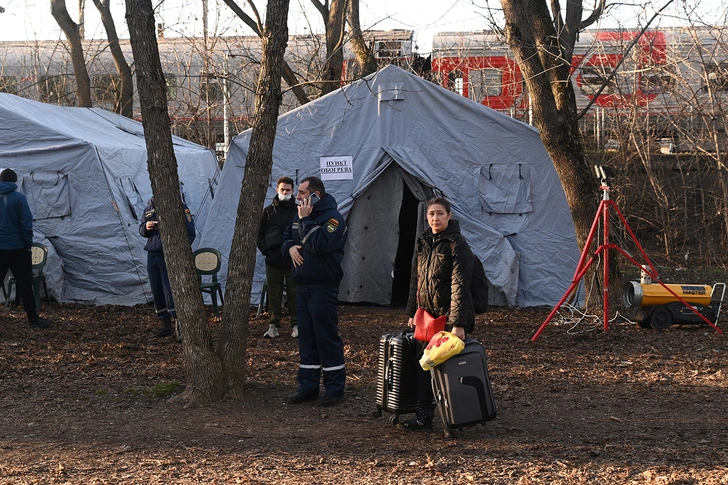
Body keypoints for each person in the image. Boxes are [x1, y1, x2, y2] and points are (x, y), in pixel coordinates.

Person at [400, 196, 475, 431]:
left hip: (448, 318)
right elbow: (416, 280)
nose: (435, 218)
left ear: (449, 216)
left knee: (449, 368)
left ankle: (457, 419)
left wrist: (458, 323)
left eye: (440, 214)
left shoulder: (457, 244)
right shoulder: (423, 242)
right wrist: (412, 311)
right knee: (424, 364)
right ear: (427, 216)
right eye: (432, 214)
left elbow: (460, 285)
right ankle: (424, 415)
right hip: (426, 317)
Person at [282, 176, 348, 407]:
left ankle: (334, 388)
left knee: (326, 338)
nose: (297, 196)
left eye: (301, 192)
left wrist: (306, 221)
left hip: (323, 287)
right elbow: (286, 237)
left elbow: (318, 244)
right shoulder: (299, 215)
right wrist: (289, 247)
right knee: (307, 339)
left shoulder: (333, 219)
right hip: (302, 287)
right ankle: (308, 386)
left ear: (315, 196)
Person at [0, 168, 52, 329]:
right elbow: (26, 224)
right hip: (17, 249)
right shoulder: (19, 199)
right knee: (25, 285)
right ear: (15, 182)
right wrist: (27, 245)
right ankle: (33, 319)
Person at [139, 196, 195, 338]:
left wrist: (179, 251)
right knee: (157, 289)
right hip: (153, 253)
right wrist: (146, 227)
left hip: (170, 254)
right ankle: (165, 324)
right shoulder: (149, 208)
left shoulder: (180, 206)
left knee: (171, 289)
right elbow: (141, 230)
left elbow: (190, 233)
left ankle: (180, 326)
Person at [257, 176, 298, 339]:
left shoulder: (298, 211)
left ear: (293, 191)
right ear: (277, 190)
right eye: (282, 189)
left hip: (294, 260)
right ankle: (273, 325)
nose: (285, 192)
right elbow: (259, 234)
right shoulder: (267, 212)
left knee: (295, 293)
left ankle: (296, 325)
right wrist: (265, 250)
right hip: (273, 260)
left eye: (288, 190)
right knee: (274, 294)